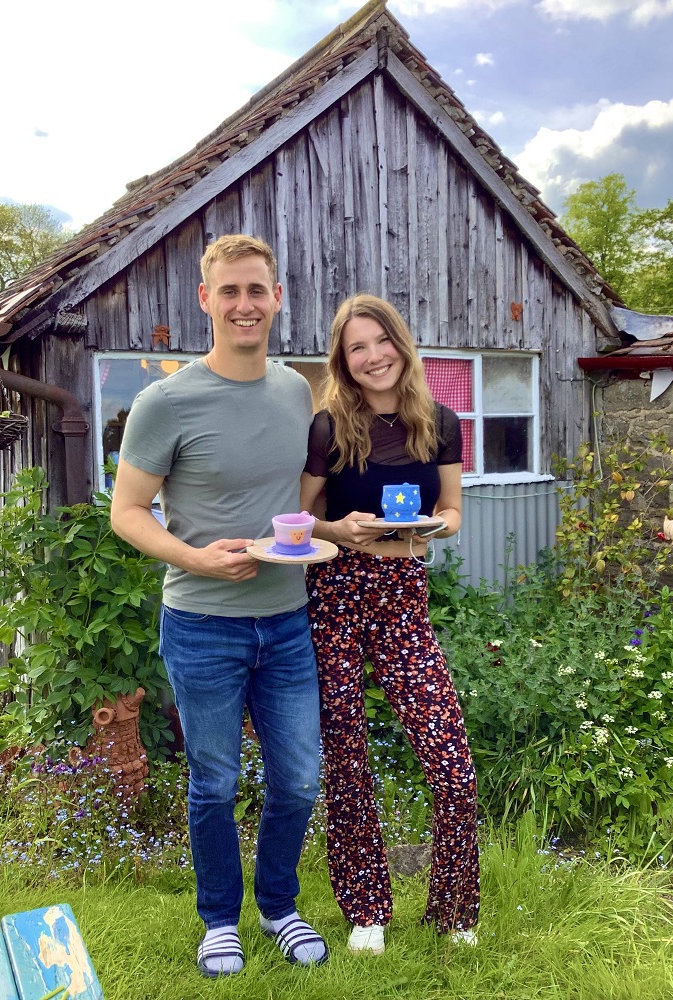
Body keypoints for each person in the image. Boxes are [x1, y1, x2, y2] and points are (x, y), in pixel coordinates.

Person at [111, 234, 327, 977]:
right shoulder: (164, 400)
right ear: (205, 300)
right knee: (215, 781)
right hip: (202, 623)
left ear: (276, 298)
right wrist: (196, 556)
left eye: (257, 291)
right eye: (229, 291)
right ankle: (217, 920)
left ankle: (278, 906)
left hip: (287, 621)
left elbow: (297, 498)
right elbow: (129, 511)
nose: (245, 305)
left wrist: (339, 531)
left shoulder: (296, 388)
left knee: (298, 778)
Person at [300, 294, 480, 956]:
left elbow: (454, 508)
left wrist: (432, 527)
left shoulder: (440, 420)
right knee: (346, 759)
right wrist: (337, 529)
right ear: (343, 362)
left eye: (381, 341)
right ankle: (367, 909)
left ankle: (457, 907)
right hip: (337, 593)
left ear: (401, 345)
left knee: (451, 761)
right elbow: (298, 520)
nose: (373, 355)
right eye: (357, 347)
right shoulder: (327, 427)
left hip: (404, 594)